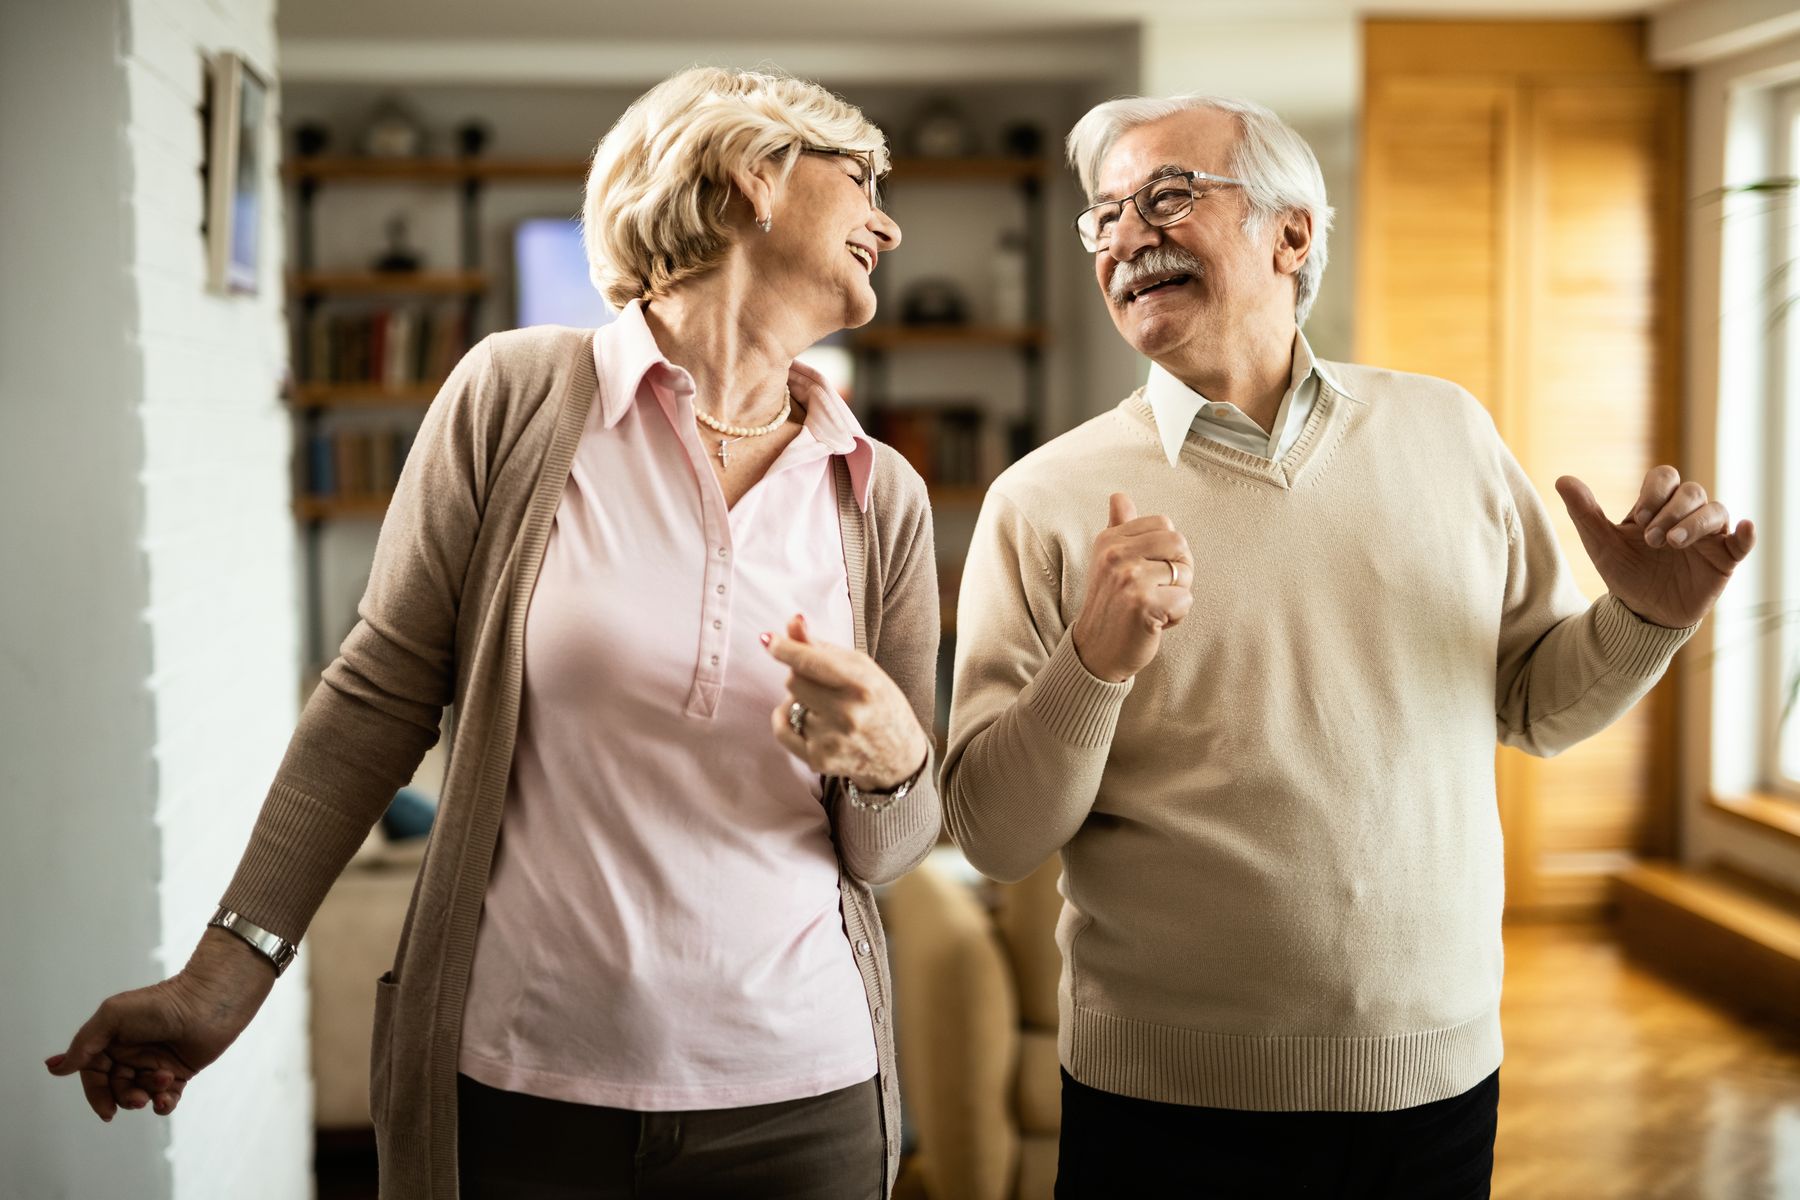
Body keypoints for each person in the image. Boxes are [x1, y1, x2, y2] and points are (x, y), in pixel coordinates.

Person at [47, 66, 941, 1200]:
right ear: (751, 177)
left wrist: (893, 762)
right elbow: (375, 699)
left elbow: (892, 847)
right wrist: (229, 972)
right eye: (860, 179)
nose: (887, 223)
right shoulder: (518, 396)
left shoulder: (879, 491)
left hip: (803, 1103)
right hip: (519, 1088)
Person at [940, 93, 1755, 1200]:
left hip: (1435, 1085)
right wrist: (1092, 665)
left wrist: (1646, 619)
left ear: (1292, 234)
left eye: (1167, 196)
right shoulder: (1041, 499)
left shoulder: (1447, 430)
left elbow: (1536, 705)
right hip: (1161, 1104)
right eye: (1104, 215)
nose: (1127, 236)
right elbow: (994, 836)